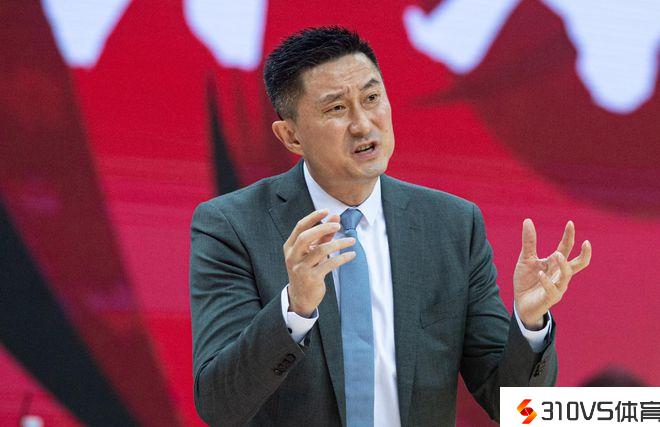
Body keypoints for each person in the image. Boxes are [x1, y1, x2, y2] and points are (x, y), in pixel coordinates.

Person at [189, 26, 592, 427]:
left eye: (371, 98)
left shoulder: (452, 226)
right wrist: (294, 310)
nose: (364, 124)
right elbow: (220, 406)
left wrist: (529, 323)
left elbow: (514, 409)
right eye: (336, 109)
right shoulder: (232, 227)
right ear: (291, 136)